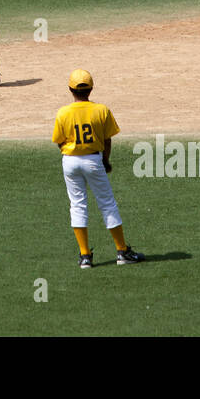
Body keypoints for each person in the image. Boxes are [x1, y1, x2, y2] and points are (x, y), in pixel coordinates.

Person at [52, 69, 145, 269]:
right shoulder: (101, 110)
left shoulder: (63, 112)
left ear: (70, 89)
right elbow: (107, 139)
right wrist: (105, 160)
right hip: (94, 160)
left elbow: (59, 142)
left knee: (77, 205)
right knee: (107, 203)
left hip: (70, 161)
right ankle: (122, 252)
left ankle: (85, 256)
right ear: (91, 89)